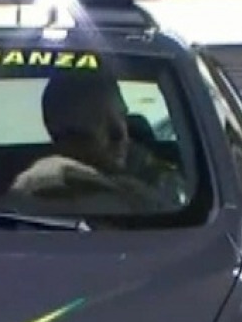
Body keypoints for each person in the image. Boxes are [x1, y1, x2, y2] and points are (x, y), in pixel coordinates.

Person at [11, 66, 183, 212]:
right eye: (97, 121)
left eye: (122, 116)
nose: (120, 135)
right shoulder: (30, 195)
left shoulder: (163, 181)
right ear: (64, 137)